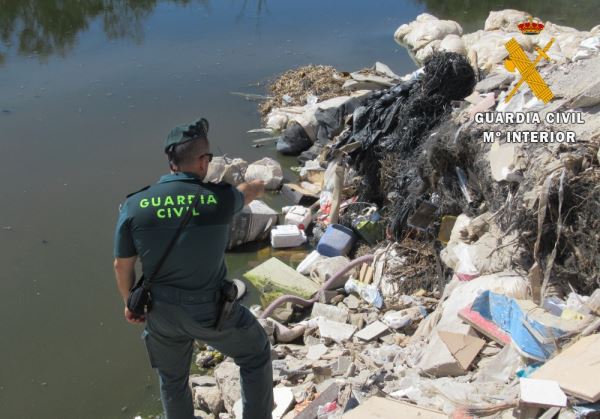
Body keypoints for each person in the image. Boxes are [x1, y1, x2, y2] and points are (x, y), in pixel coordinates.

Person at [113, 117, 274, 419]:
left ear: (169, 160)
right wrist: (259, 185)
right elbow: (246, 192)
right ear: (202, 161)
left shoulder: (134, 206)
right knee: (254, 354)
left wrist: (129, 304)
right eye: (208, 157)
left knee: (172, 381)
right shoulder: (220, 199)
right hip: (211, 311)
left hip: (160, 312)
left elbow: (122, 265)